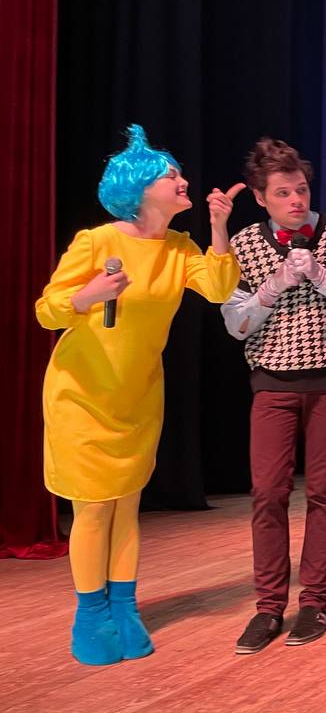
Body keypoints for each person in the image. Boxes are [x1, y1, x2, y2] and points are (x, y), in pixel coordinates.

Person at [36, 124, 242, 665]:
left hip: (138, 395)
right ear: (139, 187)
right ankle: (90, 614)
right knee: (93, 509)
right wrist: (87, 295)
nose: (183, 180)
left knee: (127, 505)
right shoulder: (96, 242)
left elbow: (220, 288)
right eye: (170, 174)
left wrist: (219, 227)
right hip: (82, 394)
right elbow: (46, 311)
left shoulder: (179, 247)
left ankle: (124, 607)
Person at [221, 139, 326, 654]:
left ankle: (314, 601)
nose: (296, 200)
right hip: (272, 379)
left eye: (302, 190)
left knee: (323, 492)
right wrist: (273, 286)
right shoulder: (246, 243)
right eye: (283, 193)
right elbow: (236, 324)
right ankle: (269, 607)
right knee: (267, 492)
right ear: (261, 198)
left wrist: (320, 275)